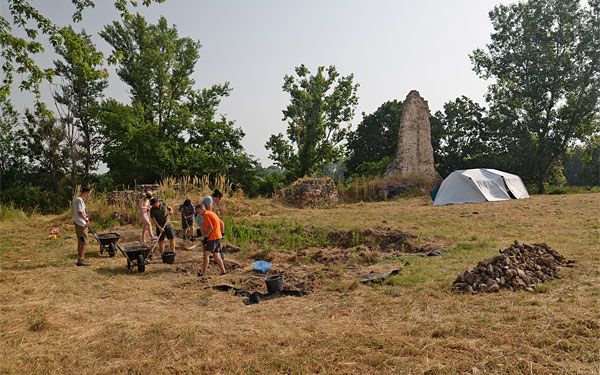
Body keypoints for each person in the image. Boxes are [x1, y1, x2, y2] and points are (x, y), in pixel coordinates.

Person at [197, 204, 226, 276]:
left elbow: (211, 227)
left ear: (201, 209)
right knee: (216, 255)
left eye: (198, 212)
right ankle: (223, 271)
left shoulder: (206, 215)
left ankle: (203, 273)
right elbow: (222, 223)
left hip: (213, 237)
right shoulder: (212, 213)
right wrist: (222, 234)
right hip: (218, 236)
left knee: (206, 254)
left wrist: (206, 237)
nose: (198, 214)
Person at [72, 186, 92, 266]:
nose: (89, 195)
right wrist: (86, 220)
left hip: (80, 223)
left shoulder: (79, 200)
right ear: (86, 192)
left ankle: (80, 258)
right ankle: (80, 260)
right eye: (89, 193)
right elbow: (80, 212)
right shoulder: (79, 200)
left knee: (81, 242)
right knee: (84, 242)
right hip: (80, 223)